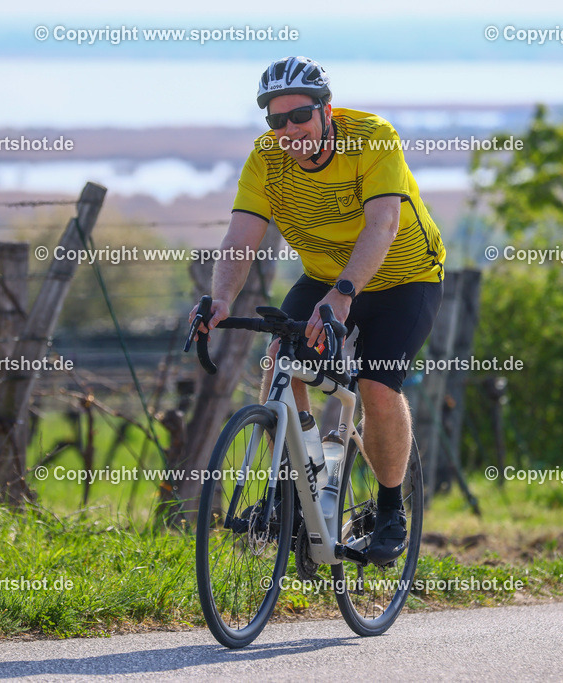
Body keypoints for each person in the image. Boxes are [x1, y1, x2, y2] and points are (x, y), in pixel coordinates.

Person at [190, 55, 445, 565]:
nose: (289, 130)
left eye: (300, 115)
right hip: (327, 276)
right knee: (282, 360)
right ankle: (293, 490)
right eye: (276, 120)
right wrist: (220, 300)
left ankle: (391, 509)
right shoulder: (266, 159)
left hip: (403, 277)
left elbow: (382, 227)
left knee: (376, 384)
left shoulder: (371, 137)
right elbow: (240, 239)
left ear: (326, 109)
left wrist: (344, 295)